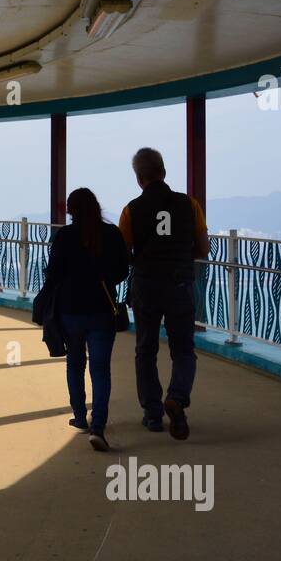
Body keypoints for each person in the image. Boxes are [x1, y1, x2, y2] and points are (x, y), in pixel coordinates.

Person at [117, 148, 210, 440]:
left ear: (139, 178)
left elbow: (123, 252)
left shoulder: (131, 210)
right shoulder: (189, 204)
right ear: (164, 172)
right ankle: (177, 398)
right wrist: (182, 257)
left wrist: (141, 258)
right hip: (180, 285)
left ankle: (152, 414)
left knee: (145, 350)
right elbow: (203, 248)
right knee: (183, 350)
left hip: (146, 286)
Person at [43, 187, 129, 451]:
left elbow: (53, 273)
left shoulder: (64, 236)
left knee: (75, 363)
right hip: (102, 309)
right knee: (100, 369)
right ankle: (98, 426)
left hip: (69, 310)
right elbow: (122, 270)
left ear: (70, 210)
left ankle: (80, 418)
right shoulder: (112, 234)